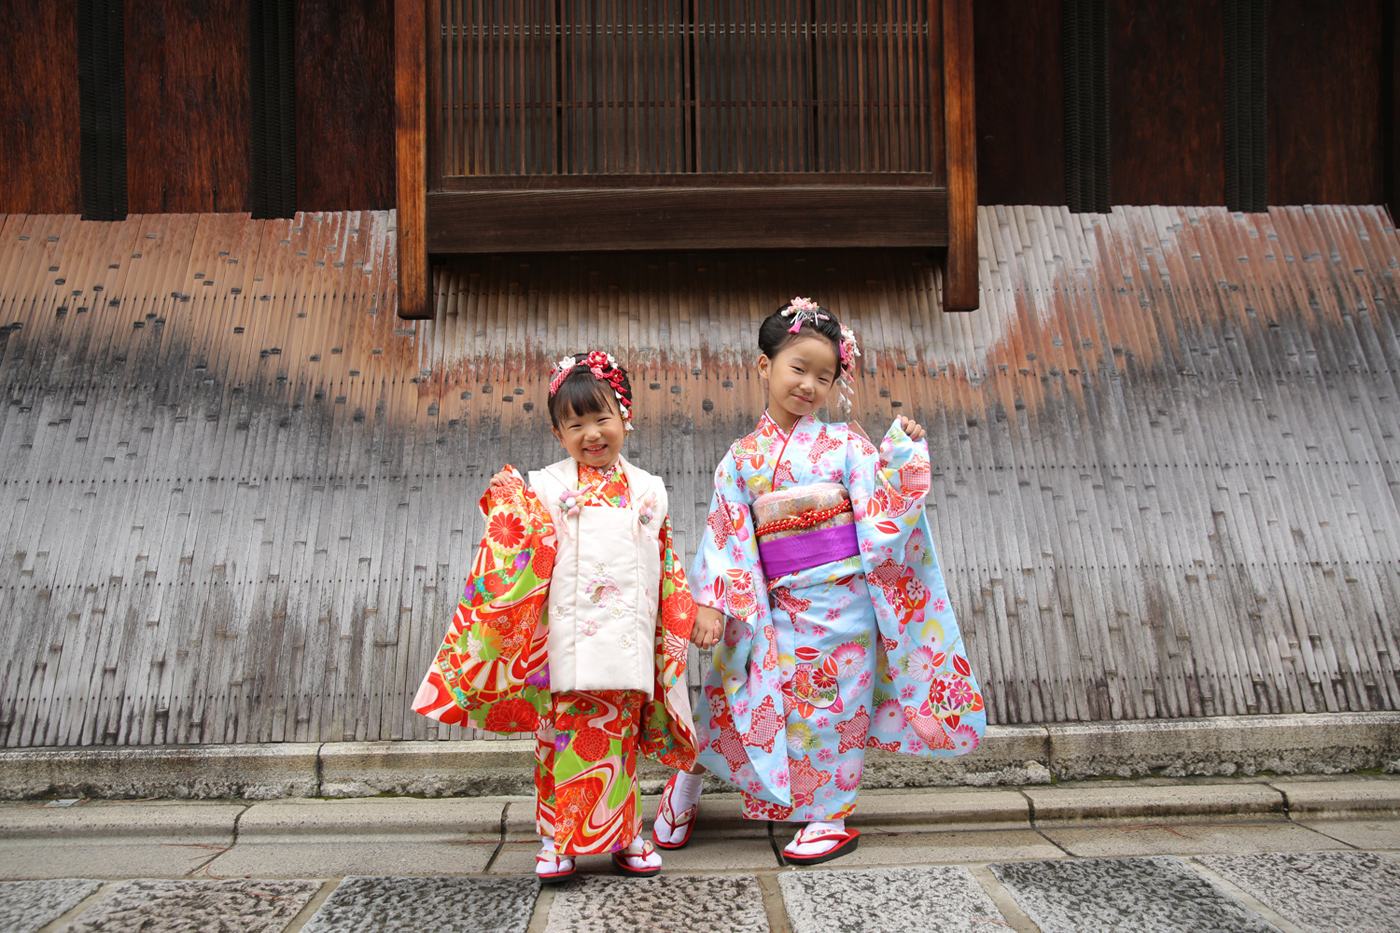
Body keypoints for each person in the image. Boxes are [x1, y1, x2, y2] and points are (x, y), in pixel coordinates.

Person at [652, 298, 985, 865]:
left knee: (830, 708)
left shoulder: (848, 447)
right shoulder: (741, 459)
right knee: (729, 695)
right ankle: (685, 789)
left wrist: (901, 458)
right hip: (766, 600)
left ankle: (828, 816)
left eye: (823, 376)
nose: (809, 384)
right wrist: (710, 604)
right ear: (765, 368)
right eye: (797, 368)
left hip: (841, 605)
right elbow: (726, 534)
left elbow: (883, 519)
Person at [412, 351, 696, 882]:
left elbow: (668, 564)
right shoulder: (545, 487)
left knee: (621, 740)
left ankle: (626, 835)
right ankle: (556, 839)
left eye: (603, 417)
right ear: (557, 431)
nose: (592, 433)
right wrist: (508, 506)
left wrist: (685, 616)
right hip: (562, 640)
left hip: (626, 639)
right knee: (559, 737)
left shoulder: (649, 490)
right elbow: (517, 551)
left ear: (626, 415)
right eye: (575, 423)